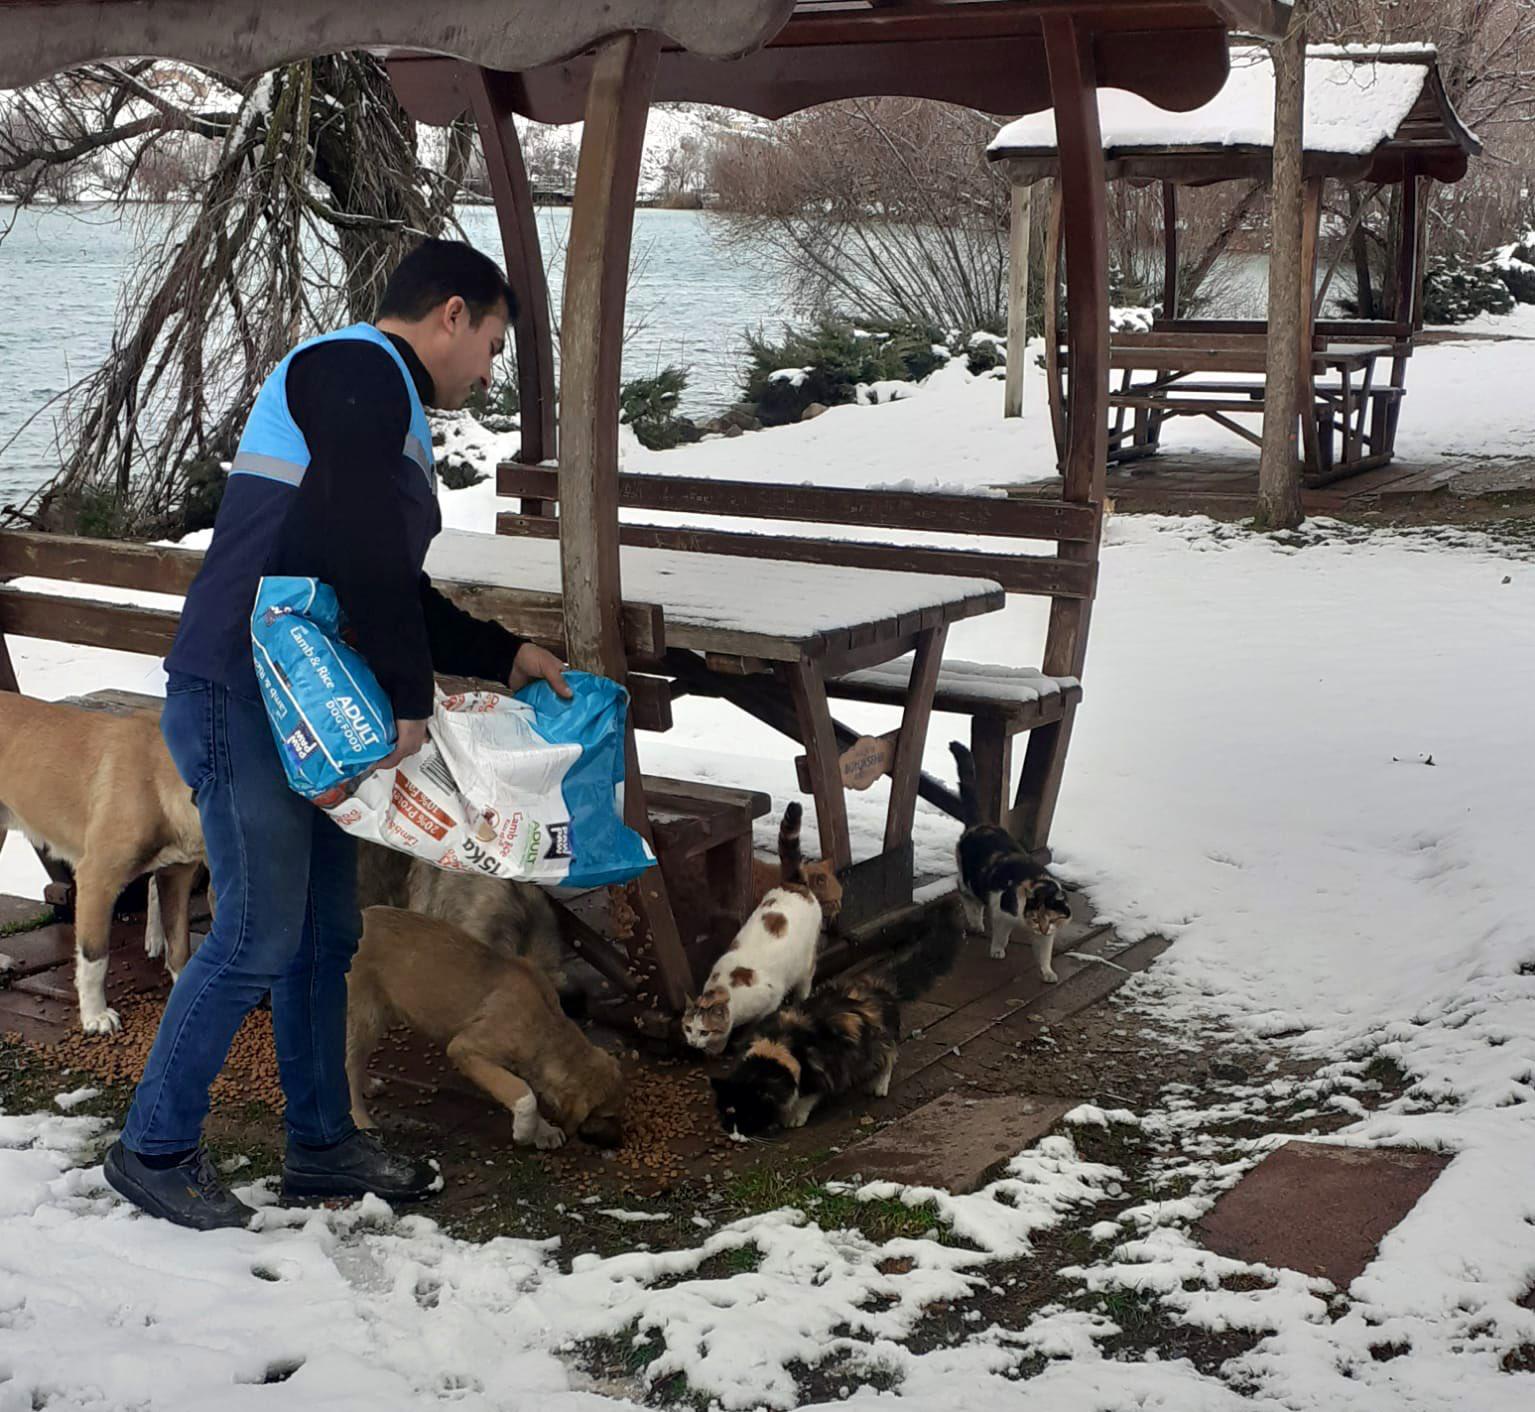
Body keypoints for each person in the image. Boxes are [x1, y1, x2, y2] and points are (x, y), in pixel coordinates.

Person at [104, 239, 570, 1231]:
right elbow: (362, 542)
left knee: (325, 933)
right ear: (451, 314)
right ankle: (153, 1145)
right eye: (490, 343)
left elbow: (384, 579)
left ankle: (321, 1143)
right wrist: (406, 693)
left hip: (303, 710)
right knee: (257, 931)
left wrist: (501, 650)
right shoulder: (355, 368)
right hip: (240, 693)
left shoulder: (379, 404)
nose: (487, 369)